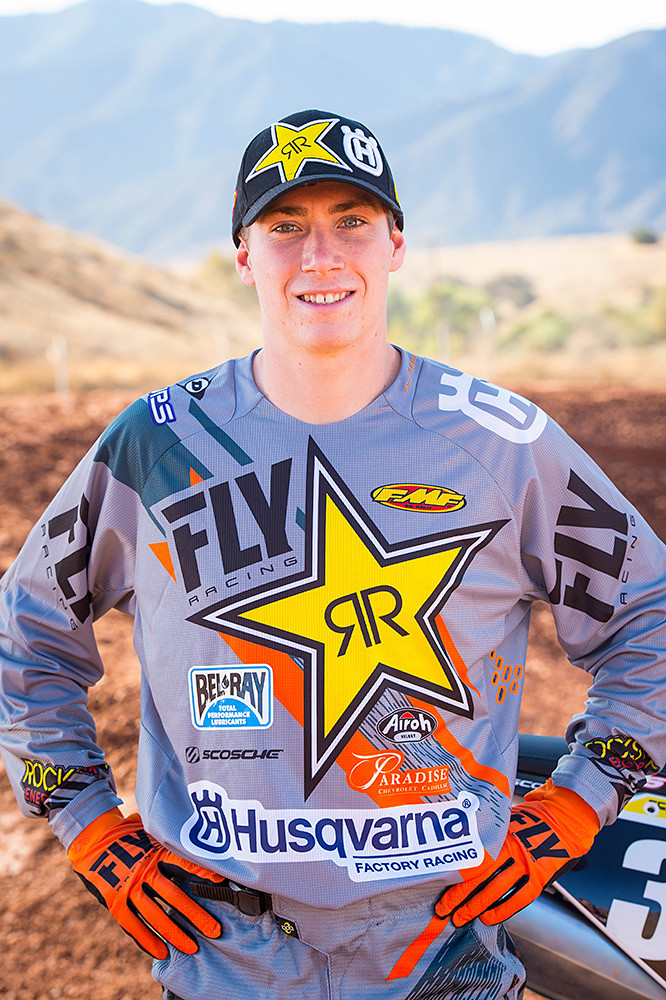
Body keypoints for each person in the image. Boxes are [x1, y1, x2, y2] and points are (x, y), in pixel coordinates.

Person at [0, 108, 665, 1000]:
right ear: (243, 254)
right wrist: (85, 821)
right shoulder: (156, 445)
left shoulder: (501, 443)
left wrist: (582, 797)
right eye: (285, 226)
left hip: (443, 950)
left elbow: (650, 614)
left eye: (351, 220)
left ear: (396, 244)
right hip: (223, 955)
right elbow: (26, 632)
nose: (320, 255)